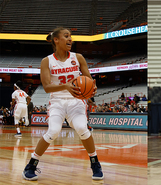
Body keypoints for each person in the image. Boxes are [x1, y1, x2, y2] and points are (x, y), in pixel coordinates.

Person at [22, 27, 103, 181]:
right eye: (66, 36)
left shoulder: (78, 57)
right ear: (56, 40)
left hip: (76, 101)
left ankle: (95, 163)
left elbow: (89, 80)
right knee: (53, 131)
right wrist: (65, 86)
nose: (70, 39)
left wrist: (92, 89)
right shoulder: (47, 61)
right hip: (57, 102)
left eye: (71, 36)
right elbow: (46, 87)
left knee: (82, 128)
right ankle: (31, 165)